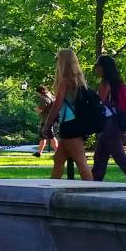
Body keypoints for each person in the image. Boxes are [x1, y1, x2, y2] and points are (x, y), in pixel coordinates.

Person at [90, 56, 126, 183]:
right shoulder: (116, 83)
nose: (96, 68)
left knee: (119, 156)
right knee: (100, 156)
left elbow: (100, 103)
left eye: (97, 65)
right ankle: (93, 181)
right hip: (114, 124)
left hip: (109, 125)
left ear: (103, 67)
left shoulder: (105, 83)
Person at [41, 49, 94, 180]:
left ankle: (91, 191)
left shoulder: (65, 81)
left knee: (81, 163)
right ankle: (52, 187)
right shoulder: (78, 80)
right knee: (58, 160)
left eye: (57, 59)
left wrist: (47, 125)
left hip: (70, 125)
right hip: (74, 124)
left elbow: (57, 105)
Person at [34, 85, 58, 157]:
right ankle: (39, 152)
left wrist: (36, 109)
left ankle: (58, 152)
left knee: (51, 136)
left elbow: (41, 109)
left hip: (47, 120)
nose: (37, 95)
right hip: (50, 119)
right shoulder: (51, 96)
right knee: (42, 137)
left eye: (37, 93)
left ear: (40, 92)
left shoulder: (43, 99)